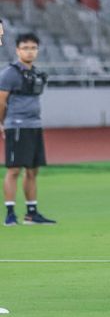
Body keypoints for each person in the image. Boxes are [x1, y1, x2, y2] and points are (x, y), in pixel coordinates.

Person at [0, 32, 56, 226]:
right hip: (17, 126)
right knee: (14, 170)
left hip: (34, 125)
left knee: (33, 171)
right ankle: (10, 213)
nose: (30, 52)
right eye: (25, 48)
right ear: (17, 50)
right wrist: (2, 123)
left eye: (33, 48)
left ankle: (31, 213)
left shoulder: (36, 73)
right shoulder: (9, 73)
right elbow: (1, 100)